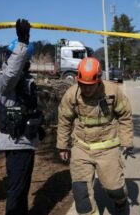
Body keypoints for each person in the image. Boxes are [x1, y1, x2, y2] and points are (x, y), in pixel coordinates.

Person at [57, 57, 134, 215]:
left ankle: (121, 202)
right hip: (81, 147)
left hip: (108, 147)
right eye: (82, 85)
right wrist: (62, 145)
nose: (86, 89)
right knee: (81, 193)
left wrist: (126, 140)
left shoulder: (112, 91)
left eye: (90, 86)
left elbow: (125, 115)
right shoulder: (72, 94)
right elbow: (64, 120)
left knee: (115, 189)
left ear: (99, 80)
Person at [0, 19, 43, 215]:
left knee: (22, 188)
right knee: (16, 190)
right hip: (15, 143)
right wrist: (22, 42)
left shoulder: (25, 79)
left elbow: (27, 107)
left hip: (26, 141)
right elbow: (11, 73)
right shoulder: (3, 80)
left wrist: (38, 126)